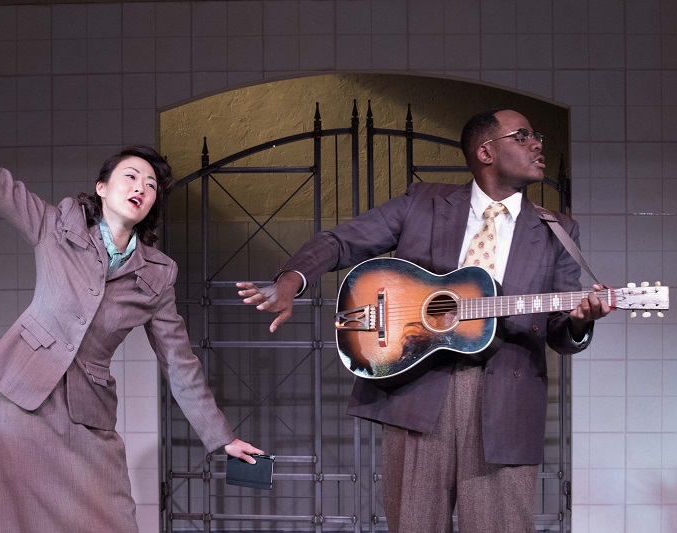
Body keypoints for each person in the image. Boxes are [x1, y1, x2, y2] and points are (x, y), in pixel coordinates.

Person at [0, 54, 262, 533]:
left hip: (89, 417)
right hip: (24, 408)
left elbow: (179, 363)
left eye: (150, 185)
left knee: (115, 521)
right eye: (131, 176)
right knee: (11, 524)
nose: (141, 187)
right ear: (102, 188)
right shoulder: (52, 226)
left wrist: (220, 437)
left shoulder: (157, 275)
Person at [237, 108, 610, 532]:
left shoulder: (556, 230)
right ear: (485, 151)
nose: (537, 144)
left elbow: (562, 329)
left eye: (536, 136)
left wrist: (581, 320)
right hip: (417, 390)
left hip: (506, 398)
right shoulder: (424, 203)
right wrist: (291, 280)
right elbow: (341, 240)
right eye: (522, 136)